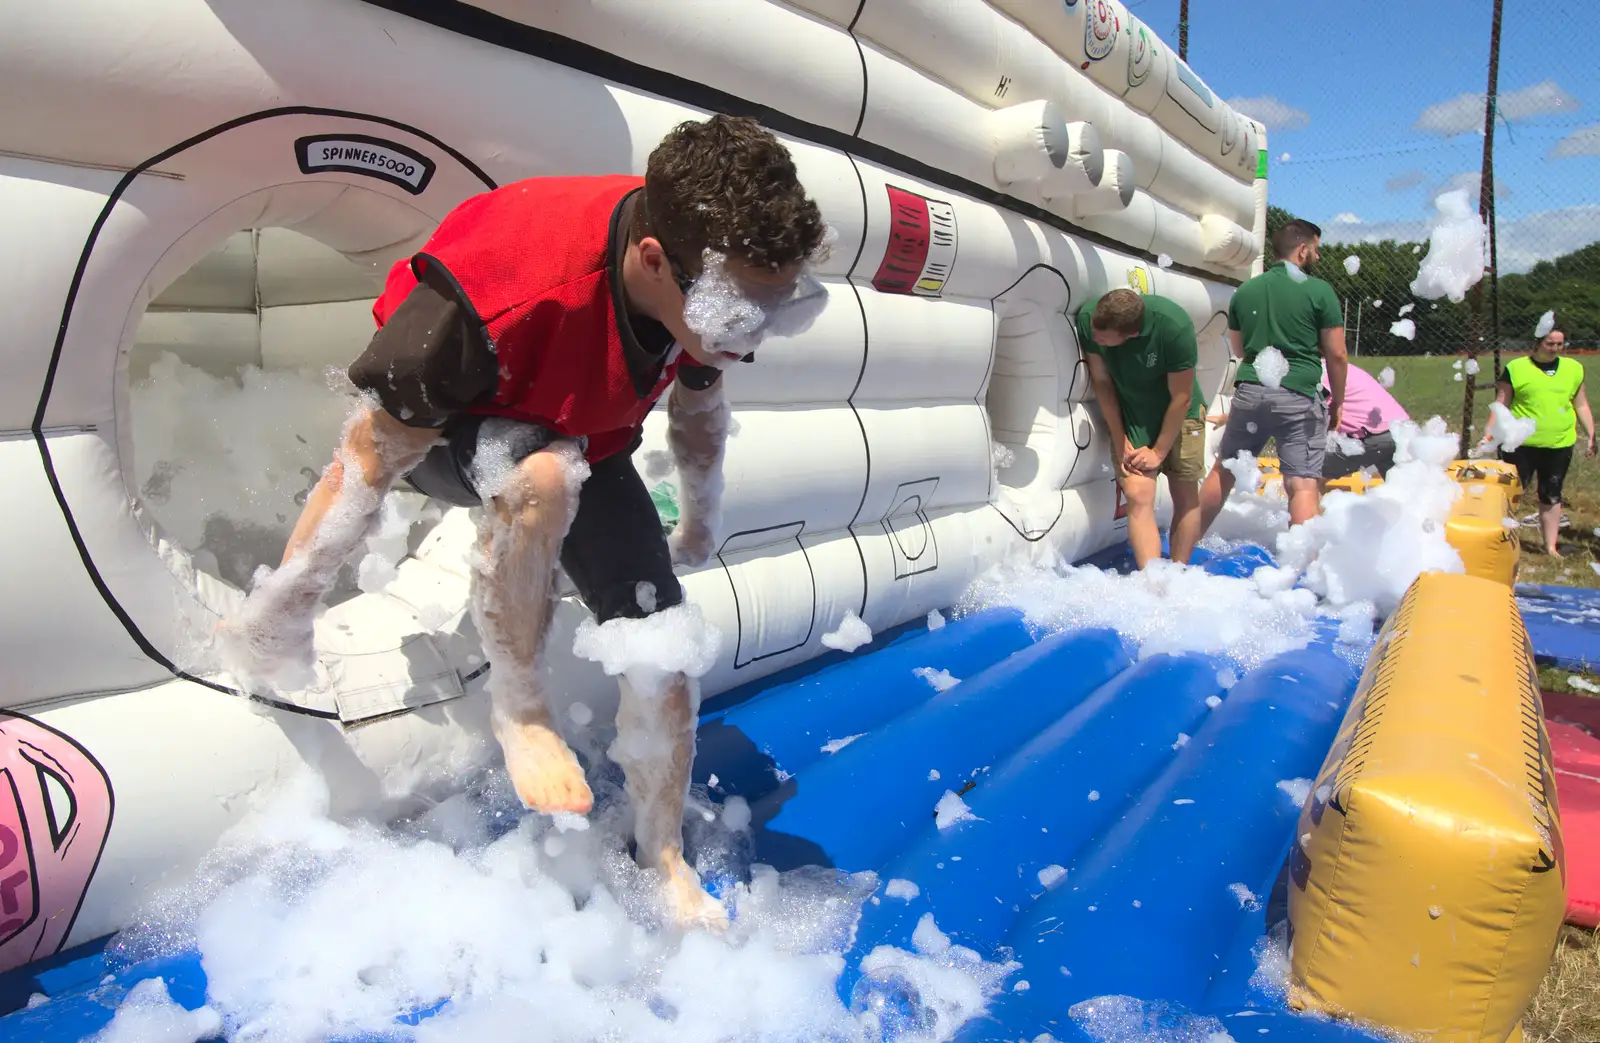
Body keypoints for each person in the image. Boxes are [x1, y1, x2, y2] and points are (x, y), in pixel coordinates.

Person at [215, 114, 829, 928]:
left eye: (775, 310)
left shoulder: (707, 288)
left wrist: (698, 525)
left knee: (667, 649)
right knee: (541, 475)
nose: (754, 337)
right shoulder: (488, 303)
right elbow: (364, 457)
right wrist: (280, 611)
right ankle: (522, 710)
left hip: (582, 434)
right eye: (743, 315)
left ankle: (664, 858)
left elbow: (699, 413)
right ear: (653, 261)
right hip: (473, 423)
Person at [1200, 218, 1348, 533]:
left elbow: (1240, 350)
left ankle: (1181, 551)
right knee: (1302, 484)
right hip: (1299, 395)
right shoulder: (1319, 291)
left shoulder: (1246, 291)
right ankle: (1301, 569)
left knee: (1223, 472)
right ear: (1304, 250)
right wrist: (1338, 403)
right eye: (1317, 251)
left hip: (1251, 391)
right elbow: (1337, 354)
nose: (1318, 258)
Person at [1078, 289, 1208, 567]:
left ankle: (1177, 571)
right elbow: (1102, 382)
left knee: (1184, 490)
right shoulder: (1092, 319)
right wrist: (1120, 437)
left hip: (1181, 412)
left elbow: (1181, 398)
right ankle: (1152, 583)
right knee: (1138, 493)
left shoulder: (1174, 327)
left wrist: (1159, 452)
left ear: (1130, 335)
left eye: (1103, 336)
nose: (1094, 335)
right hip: (1135, 413)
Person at [1482, 325, 1595, 556]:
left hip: (1559, 443)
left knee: (1552, 494)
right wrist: (1489, 431)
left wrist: (1592, 434)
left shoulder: (1574, 368)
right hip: (1519, 444)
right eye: (1550, 343)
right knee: (1510, 493)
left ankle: (1550, 547)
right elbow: (1501, 402)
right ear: (1538, 343)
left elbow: (1580, 403)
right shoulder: (1516, 368)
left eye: (1559, 344)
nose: (1555, 348)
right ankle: (1500, 543)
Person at [1321, 362, 1409, 481]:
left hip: (1372, 435)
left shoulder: (1317, 372)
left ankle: (1308, 499)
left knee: (1307, 471)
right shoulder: (1341, 366)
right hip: (1403, 431)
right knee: (1406, 490)